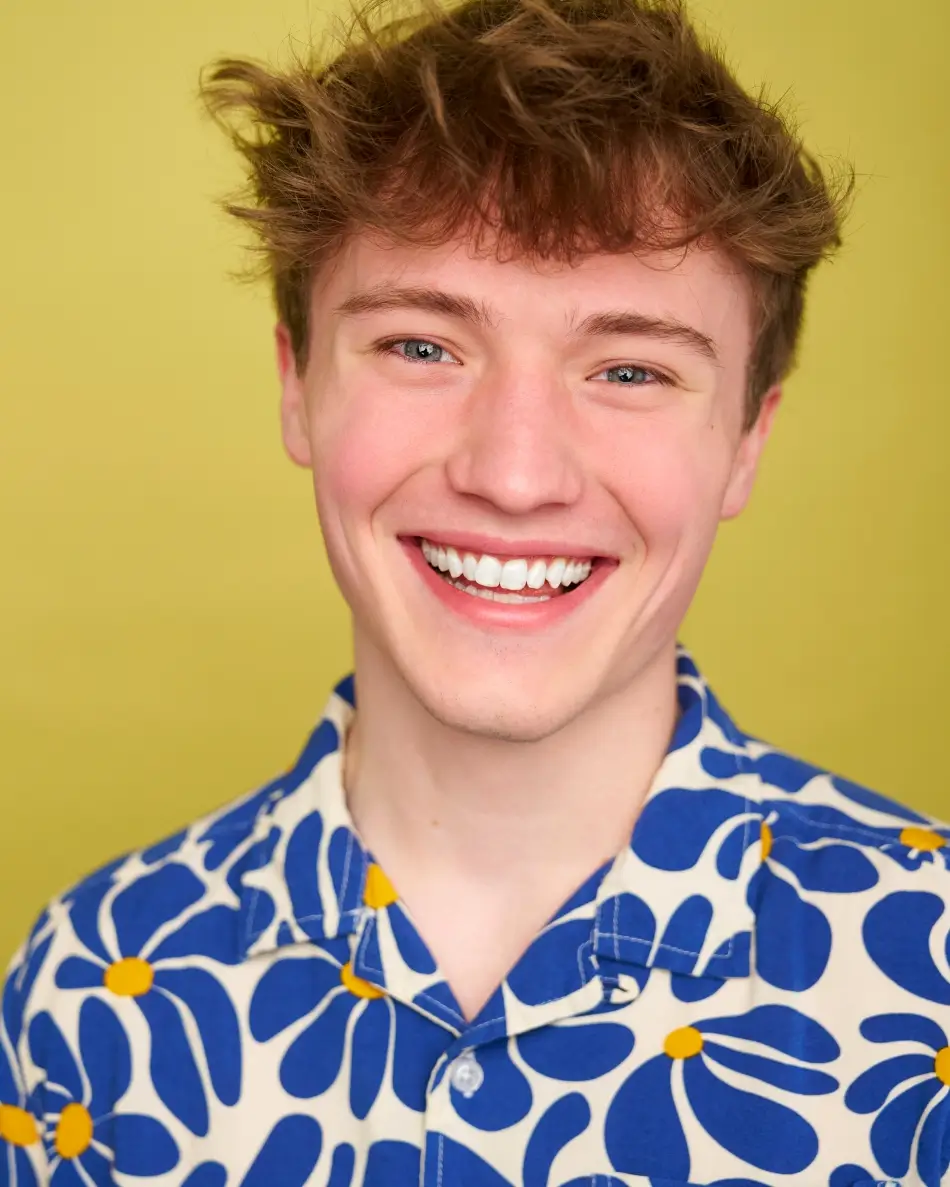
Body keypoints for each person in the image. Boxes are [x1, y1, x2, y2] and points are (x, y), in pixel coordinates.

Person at [2, 0, 947, 1182]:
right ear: (296, 385)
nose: (512, 473)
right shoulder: (90, 989)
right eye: (420, 345)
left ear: (746, 441)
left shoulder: (934, 977)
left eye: (628, 368)